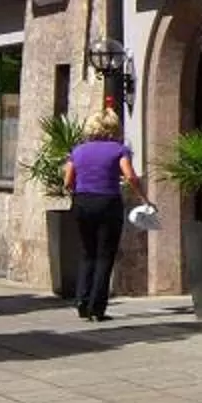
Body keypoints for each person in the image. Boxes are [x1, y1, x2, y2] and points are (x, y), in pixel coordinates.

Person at [68, 110, 142, 324]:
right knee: (104, 255)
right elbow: (130, 176)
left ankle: (82, 301)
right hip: (108, 202)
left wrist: (79, 190)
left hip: (82, 201)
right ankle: (97, 307)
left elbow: (68, 180)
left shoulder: (78, 150)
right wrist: (143, 197)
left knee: (87, 252)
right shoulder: (119, 150)